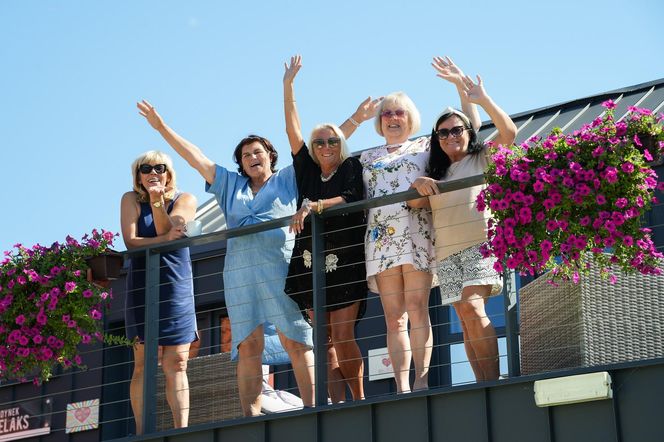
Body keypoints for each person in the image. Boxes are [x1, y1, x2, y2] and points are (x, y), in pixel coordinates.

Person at [136, 101, 314, 416]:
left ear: (270, 155)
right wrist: (161, 127)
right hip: (240, 275)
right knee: (248, 346)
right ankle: (252, 418)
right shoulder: (231, 185)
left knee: (296, 338)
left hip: (283, 271)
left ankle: (315, 409)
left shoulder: (289, 178)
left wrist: (354, 118)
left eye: (258, 152)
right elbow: (196, 158)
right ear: (240, 164)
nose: (252, 158)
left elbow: (319, 146)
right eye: (246, 155)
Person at [360, 57, 480, 393]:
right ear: (379, 121)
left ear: (410, 117)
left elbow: (468, 129)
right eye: (386, 112)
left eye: (399, 112)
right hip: (380, 237)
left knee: (416, 308)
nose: (392, 118)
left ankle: (422, 380)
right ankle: (400, 385)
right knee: (392, 317)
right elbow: (325, 156)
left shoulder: (428, 145)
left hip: (417, 232)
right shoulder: (367, 156)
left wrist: (460, 86)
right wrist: (355, 117)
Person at [409, 72, 517, 381]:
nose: (450, 136)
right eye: (443, 133)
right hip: (447, 255)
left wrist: (481, 99)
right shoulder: (437, 173)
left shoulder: (481, 157)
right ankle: (483, 385)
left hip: (480, 244)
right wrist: (418, 183)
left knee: (472, 307)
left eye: (457, 129)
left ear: (468, 131)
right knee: (465, 317)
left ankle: (494, 382)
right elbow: (414, 204)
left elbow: (509, 132)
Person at [282, 55, 376, 402]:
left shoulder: (351, 166)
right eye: (319, 142)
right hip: (310, 261)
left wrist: (315, 205)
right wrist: (288, 86)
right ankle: (336, 406)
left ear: (341, 145)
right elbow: (293, 129)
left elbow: (351, 197)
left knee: (342, 333)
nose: (325, 146)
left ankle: (359, 398)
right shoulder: (306, 170)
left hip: (345, 260)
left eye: (332, 141)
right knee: (322, 341)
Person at [120, 151, 198, 434]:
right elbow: (131, 241)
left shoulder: (185, 199)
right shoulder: (130, 199)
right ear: (138, 175)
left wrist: (157, 203)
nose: (153, 172)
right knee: (142, 363)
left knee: (176, 362)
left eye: (159, 167)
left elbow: (173, 225)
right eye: (146, 168)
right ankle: (143, 431)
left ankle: (181, 430)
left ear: (169, 173)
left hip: (176, 282)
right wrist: (164, 239)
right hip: (142, 282)